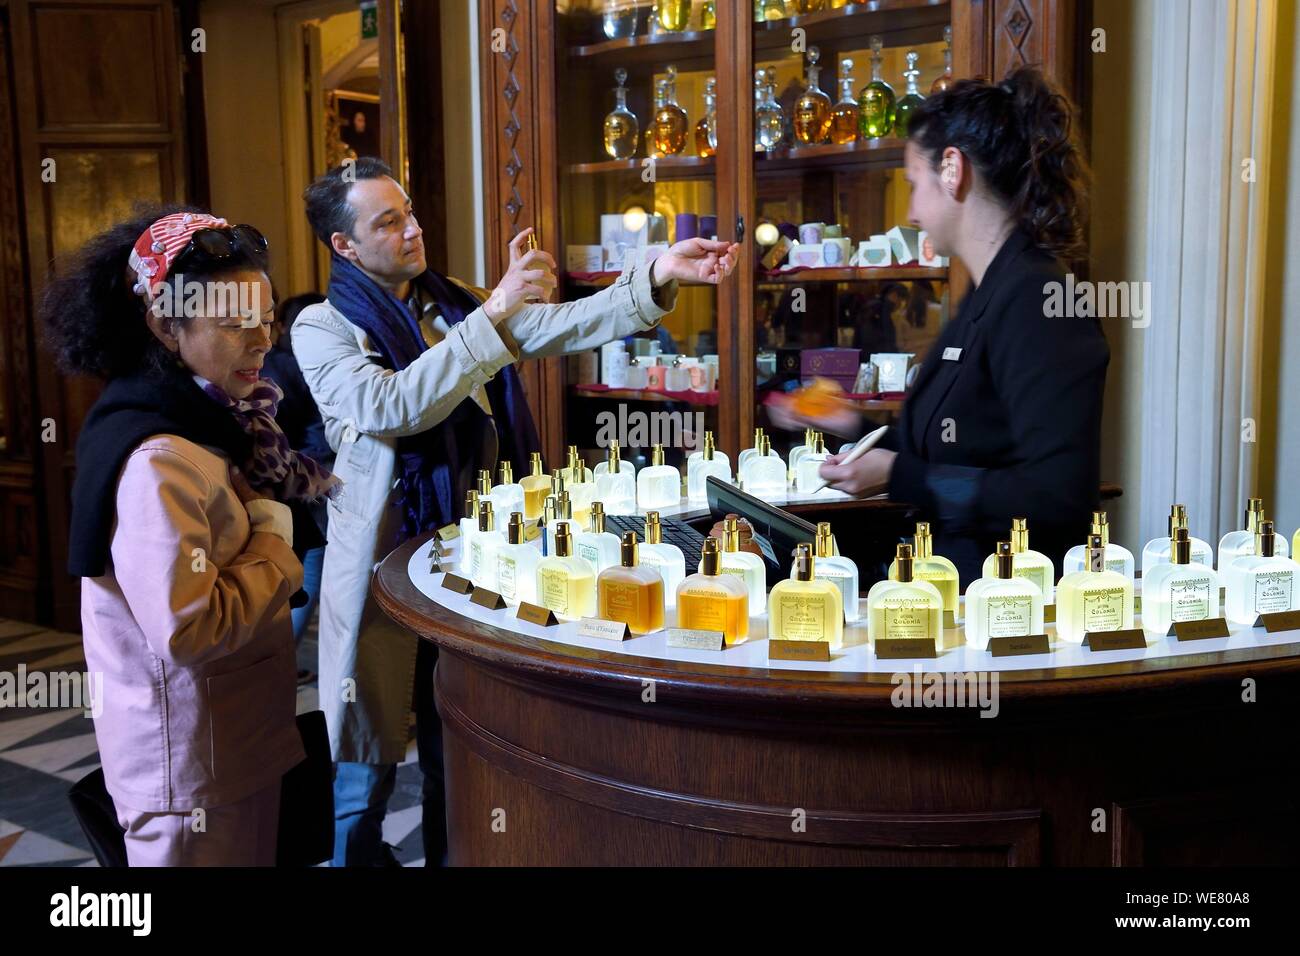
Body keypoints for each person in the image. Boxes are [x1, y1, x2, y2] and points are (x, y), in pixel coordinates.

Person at [292, 157, 738, 866]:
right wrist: (493, 315)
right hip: (381, 564)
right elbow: (390, 405)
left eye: (409, 212)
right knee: (364, 764)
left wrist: (656, 275)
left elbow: (560, 325)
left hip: (474, 556)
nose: (412, 230)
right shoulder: (322, 326)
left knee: (456, 735)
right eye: (388, 222)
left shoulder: (454, 303)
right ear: (344, 246)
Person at [45, 208, 339, 865]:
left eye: (266, 320)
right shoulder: (158, 457)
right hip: (190, 769)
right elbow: (188, 629)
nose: (262, 342)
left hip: (229, 744)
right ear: (164, 326)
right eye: (235, 325)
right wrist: (273, 531)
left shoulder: (215, 420)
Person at [778, 67, 1107, 585]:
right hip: (947, 592)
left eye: (913, 184)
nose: (910, 211)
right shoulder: (989, 288)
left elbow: (1054, 499)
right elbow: (949, 455)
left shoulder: (1041, 298)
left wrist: (894, 474)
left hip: (1002, 612)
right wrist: (850, 426)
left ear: (952, 169)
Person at [263, 291, 331, 680]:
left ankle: (277, 659)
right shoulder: (303, 365)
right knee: (313, 562)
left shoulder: (265, 365)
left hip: (278, 475)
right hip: (313, 470)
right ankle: (282, 660)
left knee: (288, 563)